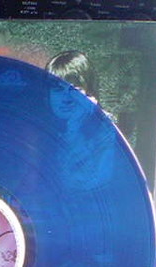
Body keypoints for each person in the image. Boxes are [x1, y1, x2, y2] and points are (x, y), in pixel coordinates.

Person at [45, 50, 116, 191]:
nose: (66, 98)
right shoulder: (41, 126)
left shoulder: (107, 130)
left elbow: (84, 184)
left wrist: (74, 127)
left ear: (89, 92)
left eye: (74, 89)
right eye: (57, 89)